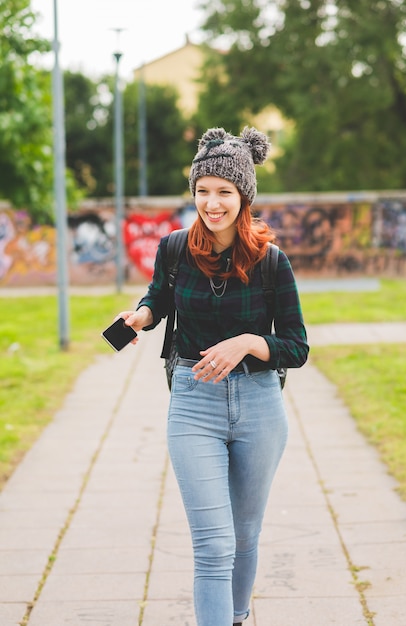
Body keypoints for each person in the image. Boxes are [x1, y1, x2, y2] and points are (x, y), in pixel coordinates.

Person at [116, 126, 309, 626]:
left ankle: (237, 616)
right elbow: (158, 297)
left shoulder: (272, 262)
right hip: (193, 403)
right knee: (213, 541)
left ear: (243, 196)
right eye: (203, 190)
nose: (212, 202)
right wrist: (140, 314)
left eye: (224, 191)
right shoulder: (176, 248)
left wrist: (247, 342)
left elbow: (297, 347)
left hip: (260, 407)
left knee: (244, 535)